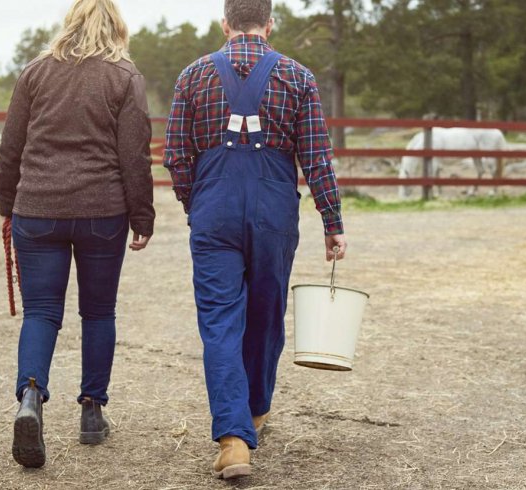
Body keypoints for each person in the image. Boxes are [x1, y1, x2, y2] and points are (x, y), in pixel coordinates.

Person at [163, 0, 347, 479]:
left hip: (214, 210)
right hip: (274, 211)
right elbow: (317, 157)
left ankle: (233, 439)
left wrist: (196, 203)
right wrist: (333, 221)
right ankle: (256, 413)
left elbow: (176, 156)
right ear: (269, 24)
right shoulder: (298, 77)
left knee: (221, 322)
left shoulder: (192, 76)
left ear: (225, 24)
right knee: (266, 314)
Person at [0, 0, 155, 469]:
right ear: (117, 29)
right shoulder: (125, 77)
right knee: (98, 311)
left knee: (41, 312)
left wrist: (9, 205)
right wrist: (142, 217)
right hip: (101, 212)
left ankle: (30, 397)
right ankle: (92, 412)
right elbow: (135, 156)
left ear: (69, 25)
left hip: (38, 209)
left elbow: (11, 146)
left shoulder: (35, 73)